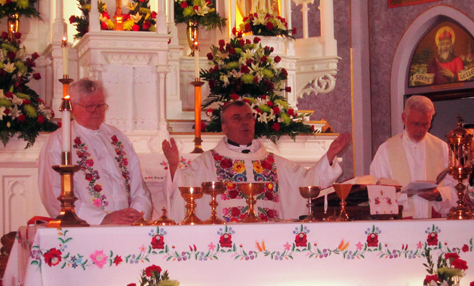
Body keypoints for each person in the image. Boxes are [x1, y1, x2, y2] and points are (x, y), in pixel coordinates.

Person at [162, 100, 351, 222]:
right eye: (237, 118)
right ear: (224, 127)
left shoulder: (275, 163)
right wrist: (173, 166)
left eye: (249, 117)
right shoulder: (206, 163)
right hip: (225, 242)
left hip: (268, 242)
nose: (245, 122)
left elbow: (309, 182)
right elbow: (182, 188)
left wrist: (330, 155)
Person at [38, 79, 152, 225]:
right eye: (90, 106)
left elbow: (139, 189)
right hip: (87, 229)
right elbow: (53, 194)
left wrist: (136, 215)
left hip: (128, 228)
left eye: (100, 105)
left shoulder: (117, 137)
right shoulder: (58, 141)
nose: (97, 111)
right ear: (73, 107)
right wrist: (104, 219)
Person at [370, 95, 457, 219]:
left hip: (435, 221)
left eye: (425, 124)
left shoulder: (442, 148)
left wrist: (439, 194)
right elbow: (377, 191)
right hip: (401, 223)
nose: (420, 130)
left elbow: (458, 186)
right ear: (404, 118)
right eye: (415, 124)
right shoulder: (386, 150)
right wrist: (405, 195)